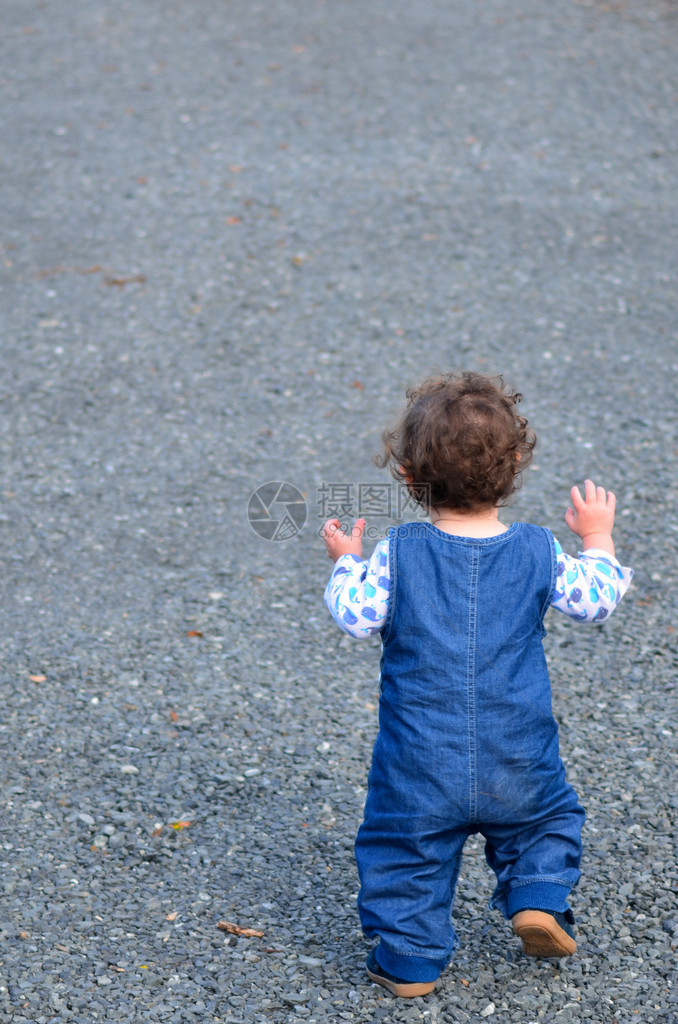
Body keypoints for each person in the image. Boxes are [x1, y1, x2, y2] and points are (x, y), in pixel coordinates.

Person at [322, 371, 633, 998]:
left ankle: (410, 958)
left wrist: (345, 562)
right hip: (517, 747)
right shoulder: (538, 550)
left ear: (409, 477)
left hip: (418, 757)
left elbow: (355, 616)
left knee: (404, 847)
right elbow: (597, 601)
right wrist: (596, 537)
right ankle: (537, 895)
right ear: (516, 465)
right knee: (546, 817)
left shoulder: (398, 550)